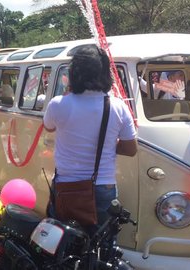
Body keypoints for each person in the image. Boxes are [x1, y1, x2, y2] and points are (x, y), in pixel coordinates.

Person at [43, 45, 137, 228]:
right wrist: (109, 145)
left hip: (67, 185)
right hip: (103, 186)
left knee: (63, 241)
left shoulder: (58, 104)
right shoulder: (118, 107)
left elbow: (48, 127)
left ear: (74, 73)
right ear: (105, 73)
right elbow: (130, 149)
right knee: (102, 246)